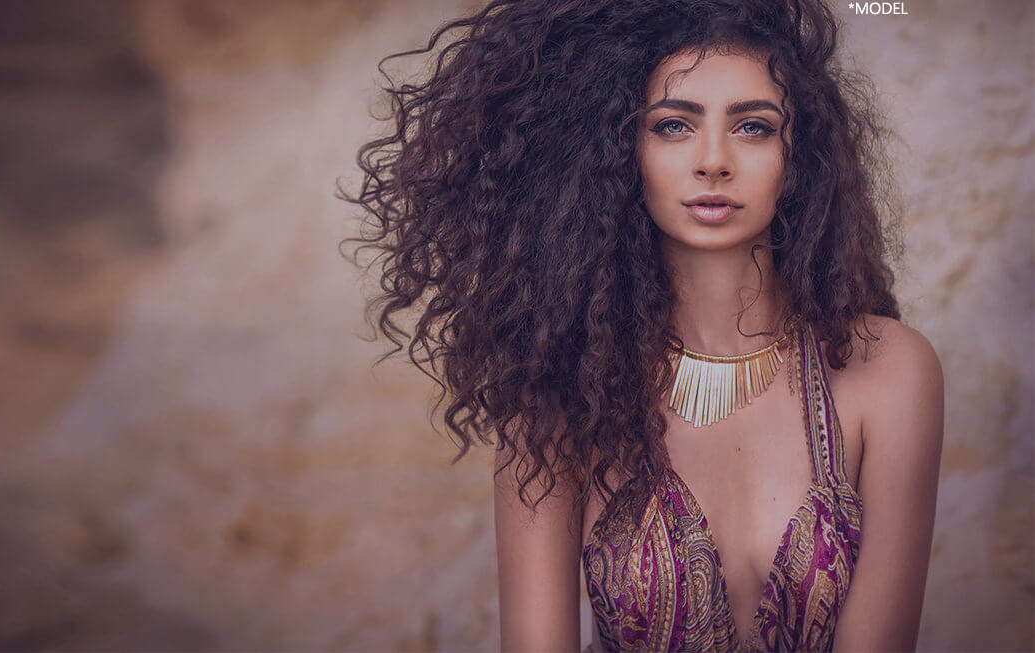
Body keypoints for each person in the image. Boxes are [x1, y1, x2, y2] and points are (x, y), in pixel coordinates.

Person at [340, 0, 945, 650]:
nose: (714, 159)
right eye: (674, 125)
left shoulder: (890, 372)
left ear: (801, 157)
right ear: (619, 150)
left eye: (753, 127)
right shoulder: (556, 394)